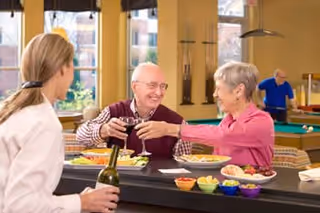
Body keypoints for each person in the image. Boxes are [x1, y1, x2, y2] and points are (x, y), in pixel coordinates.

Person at [0, 33, 119, 213]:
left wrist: (83, 201)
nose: (73, 75)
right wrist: (81, 202)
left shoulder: (10, 111)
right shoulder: (43, 123)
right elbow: (20, 206)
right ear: (62, 69)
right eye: (73, 66)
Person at [135, 61, 274, 167]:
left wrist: (169, 129)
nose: (215, 95)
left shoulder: (262, 121)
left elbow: (223, 136)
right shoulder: (228, 120)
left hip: (253, 194)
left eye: (218, 89)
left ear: (238, 91)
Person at [77, 62, 192, 159]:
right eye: (152, 85)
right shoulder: (114, 111)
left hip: (158, 184)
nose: (159, 92)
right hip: (117, 181)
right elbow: (81, 137)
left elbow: (184, 167)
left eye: (162, 86)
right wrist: (105, 130)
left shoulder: (178, 123)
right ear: (135, 86)